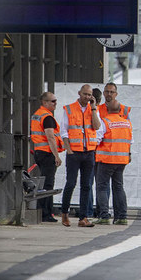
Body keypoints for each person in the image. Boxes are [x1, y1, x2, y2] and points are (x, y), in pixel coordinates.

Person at [59, 84, 102, 227]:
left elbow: (97, 127)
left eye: (90, 95)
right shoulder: (69, 109)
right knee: (71, 183)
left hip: (89, 152)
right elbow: (64, 130)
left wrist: (94, 108)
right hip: (74, 153)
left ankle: (83, 218)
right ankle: (64, 213)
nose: (87, 97)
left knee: (86, 185)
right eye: (85, 94)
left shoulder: (93, 109)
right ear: (79, 93)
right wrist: (68, 149)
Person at [94, 100, 132, 225]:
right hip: (121, 160)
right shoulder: (127, 123)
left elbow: (97, 139)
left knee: (102, 187)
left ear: (108, 109)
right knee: (119, 187)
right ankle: (122, 216)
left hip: (106, 159)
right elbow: (130, 141)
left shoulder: (105, 122)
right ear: (120, 110)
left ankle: (104, 215)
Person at [30, 92, 63, 222]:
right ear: (45, 102)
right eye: (53, 101)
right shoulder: (47, 117)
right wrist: (57, 156)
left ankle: (43, 211)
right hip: (47, 153)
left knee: (43, 183)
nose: (55, 103)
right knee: (48, 185)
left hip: (39, 152)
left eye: (56, 100)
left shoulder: (37, 115)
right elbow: (50, 137)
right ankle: (46, 213)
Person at [86, 88, 103, 219]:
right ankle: (101, 211)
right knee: (101, 184)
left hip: (90, 151)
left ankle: (89, 211)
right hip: (101, 153)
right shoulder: (102, 113)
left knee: (88, 183)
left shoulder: (87, 113)